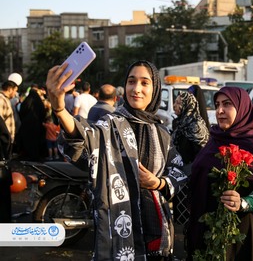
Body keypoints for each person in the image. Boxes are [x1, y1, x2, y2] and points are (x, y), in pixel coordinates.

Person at [46, 60, 187, 260]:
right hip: (120, 232)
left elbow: (177, 170)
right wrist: (60, 110)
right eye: (131, 81)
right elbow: (86, 138)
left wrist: (158, 182)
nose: (136, 89)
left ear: (155, 89)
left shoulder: (161, 132)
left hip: (157, 230)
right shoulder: (110, 124)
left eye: (144, 83)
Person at [186, 86, 253, 261]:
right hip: (205, 232)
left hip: (239, 236)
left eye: (227, 104)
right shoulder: (214, 139)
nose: (220, 110)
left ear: (243, 108)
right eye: (217, 105)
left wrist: (244, 203)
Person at [171, 91, 209, 226]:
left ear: (188, 105)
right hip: (179, 176)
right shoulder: (180, 122)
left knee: (192, 218)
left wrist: (187, 171)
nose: (174, 105)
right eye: (175, 102)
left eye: (178, 103)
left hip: (192, 177)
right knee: (181, 217)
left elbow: (202, 155)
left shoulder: (196, 125)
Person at [0, 73, 22, 223]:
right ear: (11, 88)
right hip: (2, 149)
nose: (16, 93)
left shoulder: (4, 100)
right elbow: (1, 128)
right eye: (15, 90)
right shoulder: (2, 100)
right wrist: (6, 144)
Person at [17, 84, 47, 161]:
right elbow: (43, 112)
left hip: (27, 125)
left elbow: (22, 110)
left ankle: (27, 154)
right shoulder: (39, 102)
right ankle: (36, 155)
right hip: (37, 125)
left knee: (28, 140)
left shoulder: (27, 100)